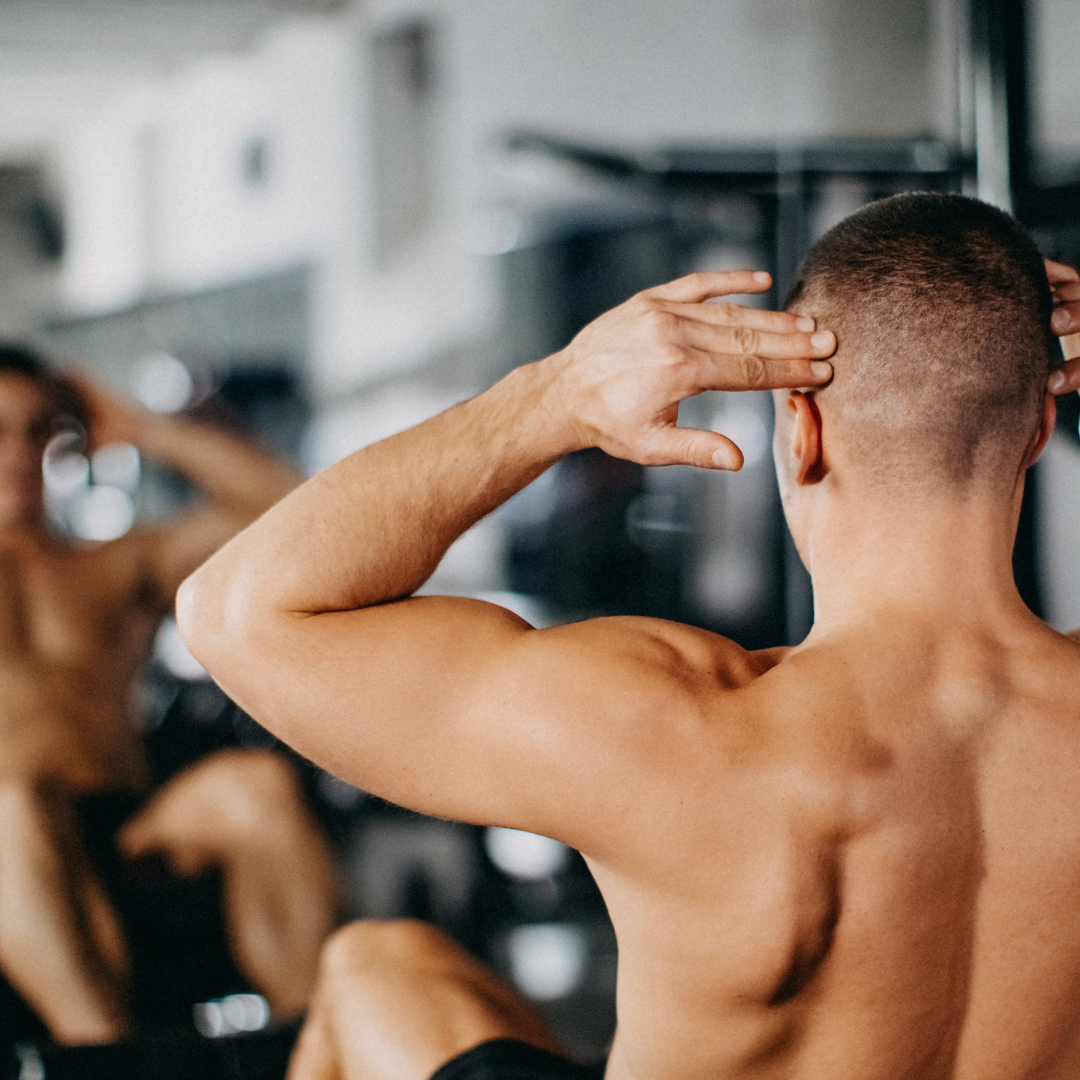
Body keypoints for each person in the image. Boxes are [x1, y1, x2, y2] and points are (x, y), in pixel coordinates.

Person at [180, 193, 1080, 1080]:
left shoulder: (680, 730)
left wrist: (559, 394)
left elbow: (237, 613)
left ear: (799, 429)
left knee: (366, 967)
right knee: (385, 969)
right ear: (1041, 428)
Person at [0, 348, 339, 1046]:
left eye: (38, 430)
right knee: (14, 809)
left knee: (260, 787)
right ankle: (108, 1062)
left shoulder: (112, 564)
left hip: (128, 830)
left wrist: (144, 428)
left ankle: (315, 1053)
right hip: (12, 837)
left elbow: (297, 509)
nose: (18, 451)